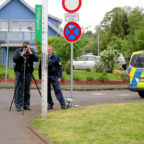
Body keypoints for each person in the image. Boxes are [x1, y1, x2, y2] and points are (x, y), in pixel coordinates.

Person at [13, 41, 38, 111]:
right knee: (19, 88)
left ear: (29, 46)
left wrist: (30, 52)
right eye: (25, 46)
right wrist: (22, 54)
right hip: (19, 71)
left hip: (28, 72)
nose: (26, 47)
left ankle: (26, 105)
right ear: (22, 46)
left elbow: (36, 59)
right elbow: (14, 59)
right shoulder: (18, 50)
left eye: (27, 46)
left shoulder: (32, 51)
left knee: (27, 88)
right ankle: (18, 105)